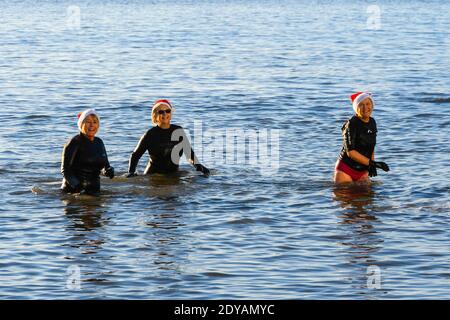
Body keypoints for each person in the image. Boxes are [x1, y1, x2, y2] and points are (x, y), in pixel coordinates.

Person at [126, 99, 210, 177]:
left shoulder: (178, 131)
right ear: (155, 115)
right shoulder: (150, 134)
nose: (165, 114)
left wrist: (199, 166)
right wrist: (131, 173)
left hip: (173, 175)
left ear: (171, 113)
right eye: (161, 112)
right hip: (154, 177)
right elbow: (135, 156)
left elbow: (189, 153)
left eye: (167, 111)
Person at [334, 92, 389, 184]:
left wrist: (371, 166)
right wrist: (373, 164)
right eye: (361, 105)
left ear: (372, 105)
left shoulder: (372, 122)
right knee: (346, 196)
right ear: (356, 109)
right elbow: (350, 152)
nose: (365, 108)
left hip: (363, 170)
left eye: (368, 104)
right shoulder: (351, 124)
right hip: (345, 170)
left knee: (370, 197)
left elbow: (371, 146)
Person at [61, 109, 114, 194]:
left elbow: (105, 166)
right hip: (73, 193)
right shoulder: (74, 142)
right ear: (81, 124)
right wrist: (78, 187)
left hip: (95, 191)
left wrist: (108, 171)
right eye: (88, 122)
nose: (92, 125)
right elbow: (65, 170)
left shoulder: (99, 142)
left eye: (95, 122)